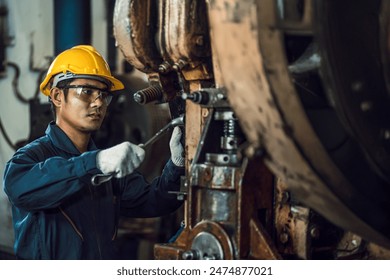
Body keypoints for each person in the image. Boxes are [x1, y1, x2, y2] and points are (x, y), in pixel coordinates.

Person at [2, 45, 185, 260]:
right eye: (86, 92)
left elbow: (156, 201)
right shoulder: (29, 159)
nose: (98, 102)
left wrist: (177, 164)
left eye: (104, 95)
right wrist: (95, 163)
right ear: (57, 96)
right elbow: (19, 189)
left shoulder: (108, 167)